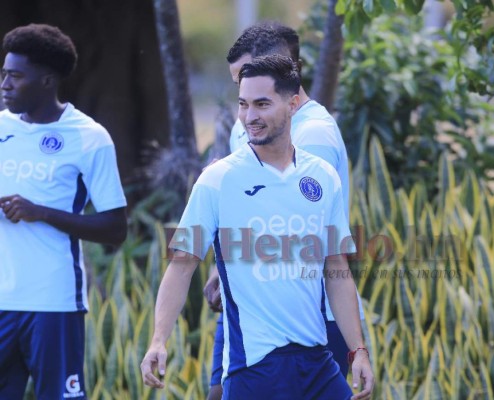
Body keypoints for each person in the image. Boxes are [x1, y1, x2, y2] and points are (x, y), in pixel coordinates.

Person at [141, 54, 373, 400]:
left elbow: (336, 268)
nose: (250, 116)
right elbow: (182, 265)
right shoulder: (217, 180)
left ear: (292, 104)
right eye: (243, 104)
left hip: (318, 362)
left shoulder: (322, 176)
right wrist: (159, 338)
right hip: (255, 368)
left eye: (262, 104)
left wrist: (358, 350)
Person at [203, 22, 366, 400]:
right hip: (247, 309)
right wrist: (220, 265)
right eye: (238, 89)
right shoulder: (247, 127)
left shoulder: (314, 137)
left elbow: (314, 243)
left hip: (308, 321)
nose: (245, 105)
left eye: (252, 85)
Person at [0, 24, 127, 399]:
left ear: (47, 81)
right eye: (3, 74)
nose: (5, 84)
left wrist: (41, 212)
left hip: (53, 303)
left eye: (16, 76)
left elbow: (115, 229)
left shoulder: (89, 137)